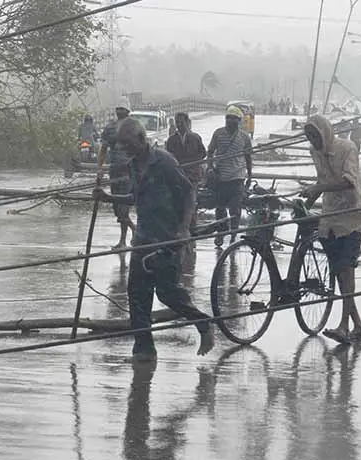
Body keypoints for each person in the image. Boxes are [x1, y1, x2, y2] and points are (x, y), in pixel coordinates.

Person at [94, 118, 214, 361]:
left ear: (141, 139)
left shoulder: (165, 162)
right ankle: (144, 351)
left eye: (127, 144)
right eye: (121, 145)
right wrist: (107, 198)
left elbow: (189, 192)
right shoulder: (132, 166)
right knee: (137, 296)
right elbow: (136, 198)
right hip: (143, 238)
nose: (124, 149)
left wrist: (184, 229)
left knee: (167, 293)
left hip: (167, 238)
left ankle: (203, 322)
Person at [301, 114, 361, 345]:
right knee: (340, 273)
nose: (313, 140)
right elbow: (321, 181)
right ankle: (358, 326)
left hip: (351, 218)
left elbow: (348, 181)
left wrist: (318, 187)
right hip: (330, 218)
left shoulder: (347, 148)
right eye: (309, 136)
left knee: (346, 269)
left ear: (326, 133)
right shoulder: (314, 152)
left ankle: (344, 326)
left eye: (315, 135)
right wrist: (304, 204)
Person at [207, 105, 254, 247]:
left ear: (239, 121)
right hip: (221, 177)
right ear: (225, 119)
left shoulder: (244, 137)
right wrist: (210, 168)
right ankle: (221, 234)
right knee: (220, 209)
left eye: (234, 119)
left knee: (235, 209)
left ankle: (233, 234)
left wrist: (249, 175)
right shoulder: (218, 134)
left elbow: (248, 157)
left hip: (237, 178)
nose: (231, 121)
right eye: (229, 118)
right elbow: (210, 152)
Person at [100, 103, 137, 250]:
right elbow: (103, 149)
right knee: (116, 205)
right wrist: (100, 168)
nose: (119, 111)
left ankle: (123, 240)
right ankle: (132, 229)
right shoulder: (109, 128)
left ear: (128, 111)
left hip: (129, 172)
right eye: (118, 108)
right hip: (115, 170)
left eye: (122, 109)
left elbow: (141, 149)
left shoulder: (134, 128)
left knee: (124, 206)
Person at [165, 112, 207, 186]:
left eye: (182, 122)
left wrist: (190, 161)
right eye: (177, 122)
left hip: (193, 174)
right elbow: (168, 156)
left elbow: (203, 154)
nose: (179, 125)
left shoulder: (195, 137)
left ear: (187, 122)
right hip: (177, 174)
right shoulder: (171, 139)